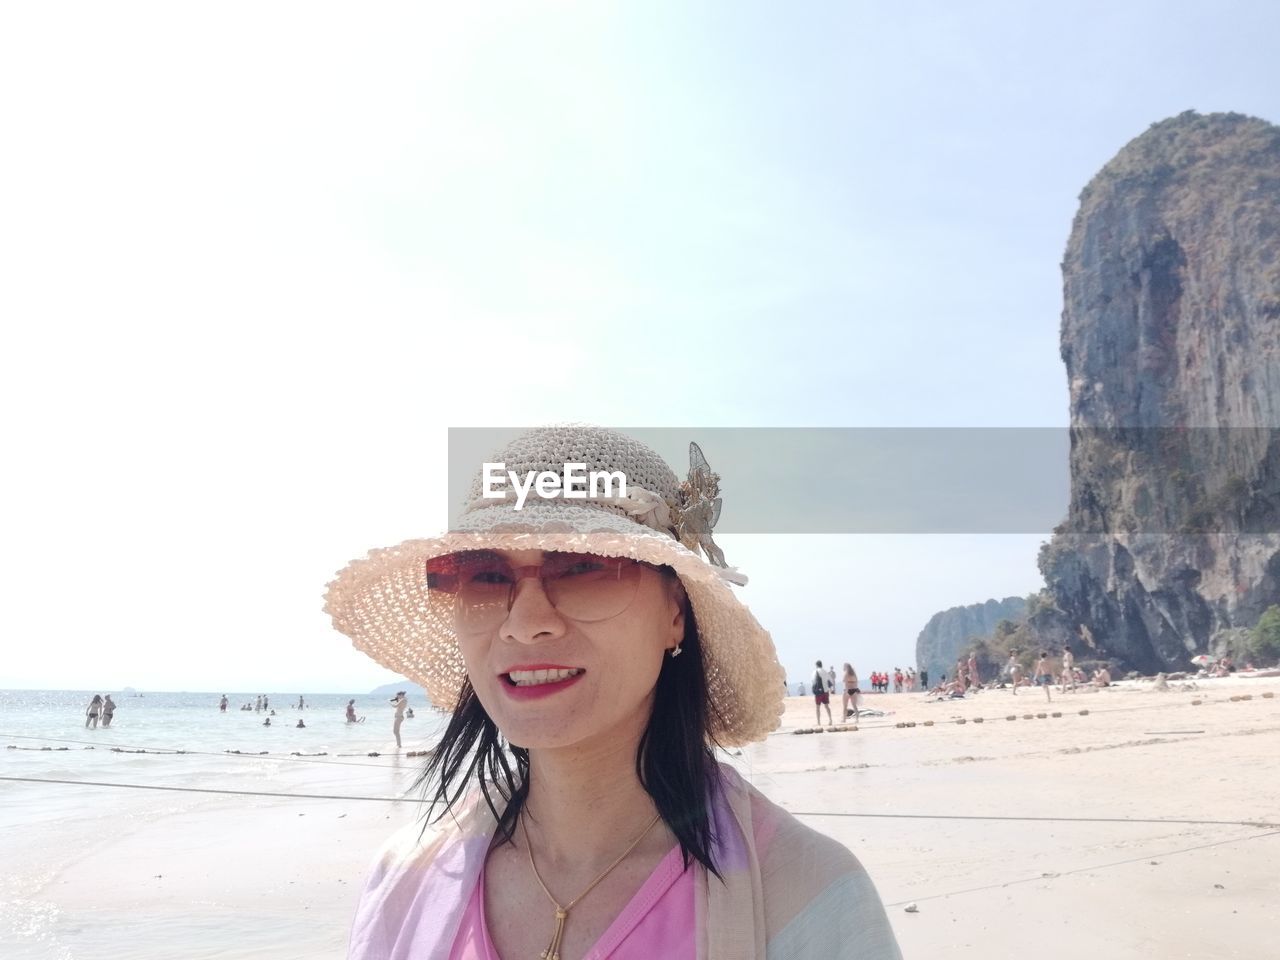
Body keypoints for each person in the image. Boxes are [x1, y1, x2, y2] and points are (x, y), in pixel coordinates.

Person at [324, 427, 902, 959]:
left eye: (582, 567)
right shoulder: (404, 882)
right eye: (486, 574)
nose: (525, 623)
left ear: (675, 612)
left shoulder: (808, 899)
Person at [812, 660, 834, 726]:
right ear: (821, 664)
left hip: (819, 692)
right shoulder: (825, 671)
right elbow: (830, 680)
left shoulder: (815, 671)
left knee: (818, 707)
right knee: (827, 706)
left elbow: (813, 681)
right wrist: (830, 689)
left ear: (816, 665)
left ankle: (818, 722)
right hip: (825, 691)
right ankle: (830, 720)